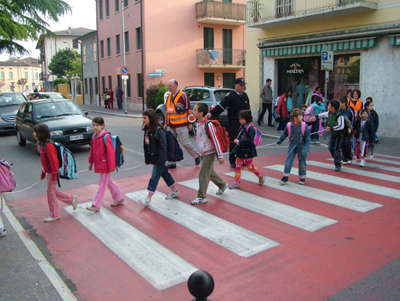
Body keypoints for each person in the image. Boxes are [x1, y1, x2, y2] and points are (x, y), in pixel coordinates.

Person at [33, 124, 78, 222]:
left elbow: (54, 163)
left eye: (35, 132)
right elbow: (44, 163)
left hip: (52, 173)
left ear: (40, 134)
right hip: (49, 172)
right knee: (52, 191)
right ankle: (71, 199)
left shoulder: (48, 146)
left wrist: (53, 177)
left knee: (50, 193)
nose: (33, 134)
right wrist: (43, 173)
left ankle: (54, 214)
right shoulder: (42, 146)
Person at [206, 77, 250, 168]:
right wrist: (212, 113)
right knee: (234, 141)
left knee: (242, 141)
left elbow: (248, 109)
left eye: (243, 85)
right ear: (236, 85)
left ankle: (241, 158)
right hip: (234, 122)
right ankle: (232, 160)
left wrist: (249, 121)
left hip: (244, 123)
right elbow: (222, 106)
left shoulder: (245, 96)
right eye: (241, 85)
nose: (242, 87)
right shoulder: (231, 96)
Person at [191, 103, 228, 205]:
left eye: (195, 110)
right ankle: (222, 185)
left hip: (209, 152)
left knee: (203, 173)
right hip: (203, 152)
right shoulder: (197, 123)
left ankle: (201, 197)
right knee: (209, 171)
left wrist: (220, 156)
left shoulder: (209, 125)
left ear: (201, 113)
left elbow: (215, 140)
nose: (193, 112)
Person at [140, 109, 179, 206]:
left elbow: (163, 147)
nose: (143, 120)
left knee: (154, 177)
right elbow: (146, 146)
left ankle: (148, 198)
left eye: (145, 118)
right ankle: (174, 190)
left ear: (151, 118)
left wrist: (161, 160)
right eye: (143, 118)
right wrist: (147, 159)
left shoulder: (159, 130)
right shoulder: (147, 130)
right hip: (154, 158)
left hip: (159, 158)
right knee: (164, 173)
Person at [86, 117, 124, 212]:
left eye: (97, 125)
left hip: (106, 165)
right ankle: (118, 198)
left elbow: (110, 153)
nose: (95, 127)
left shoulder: (106, 137)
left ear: (103, 126)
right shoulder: (94, 137)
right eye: (93, 125)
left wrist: (111, 167)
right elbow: (92, 151)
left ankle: (96, 205)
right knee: (109, 182)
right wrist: (90, 162)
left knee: (102, 185)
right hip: (100, 164)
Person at [164, 79, 200, 168]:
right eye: (168, 85)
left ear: (176, 86)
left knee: (184, 142)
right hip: (171, 125)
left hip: (181, 124)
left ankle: (196, 155)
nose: (169, 88)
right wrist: (165, 123)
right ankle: (172, 162)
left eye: (170, 86)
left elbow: (189, 110)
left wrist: (190, 123)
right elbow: (166, 111)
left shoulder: (183, 96)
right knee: (172, 143)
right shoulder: (168, 97)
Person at [229, 110, 265, 189]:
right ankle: (237, 182)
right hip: (240, 150)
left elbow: (249, 140)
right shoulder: (242, 127)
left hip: (248, 150)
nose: (240, 121)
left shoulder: (250, 128)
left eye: (241, 119)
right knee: (238, 166)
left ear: (247, 119)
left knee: (250, 166)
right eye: (239, 119)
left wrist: (239, 141)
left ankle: (261, 175)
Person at [277, 108, 310, 185]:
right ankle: (285, 176)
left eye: (302, 116)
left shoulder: (304, 126)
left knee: (302, 161)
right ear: (295, 118)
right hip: (292, 145)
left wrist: (306, 148)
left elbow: (308, 137)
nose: (302, 117)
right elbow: (285, 134)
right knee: (288, 160)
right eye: (300, 116)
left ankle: (302, 177)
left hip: (301, 145)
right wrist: (280, 140)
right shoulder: (289, 125)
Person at [318, 100, 345, 171]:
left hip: (339, 135)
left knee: (337, 149)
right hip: (333, 134)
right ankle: (338, 158)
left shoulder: (339, 116)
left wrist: (331, 128)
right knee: (330, 148)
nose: (328, 107)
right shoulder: (330, 113)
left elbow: (341, 126)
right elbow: (324, 114)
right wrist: (316, 116)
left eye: (329, 105)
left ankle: (338, 164)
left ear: (333, 107)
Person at [339, 96, 355, 165]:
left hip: (349, 130)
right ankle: (344, 157)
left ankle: (349, 157)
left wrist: (352, 129)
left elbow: (353, 120)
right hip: (341, 130)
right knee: (342, 143)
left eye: (339, 103)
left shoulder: (350, 111)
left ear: (344, 103)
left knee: (347, 143)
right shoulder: (339, 111)